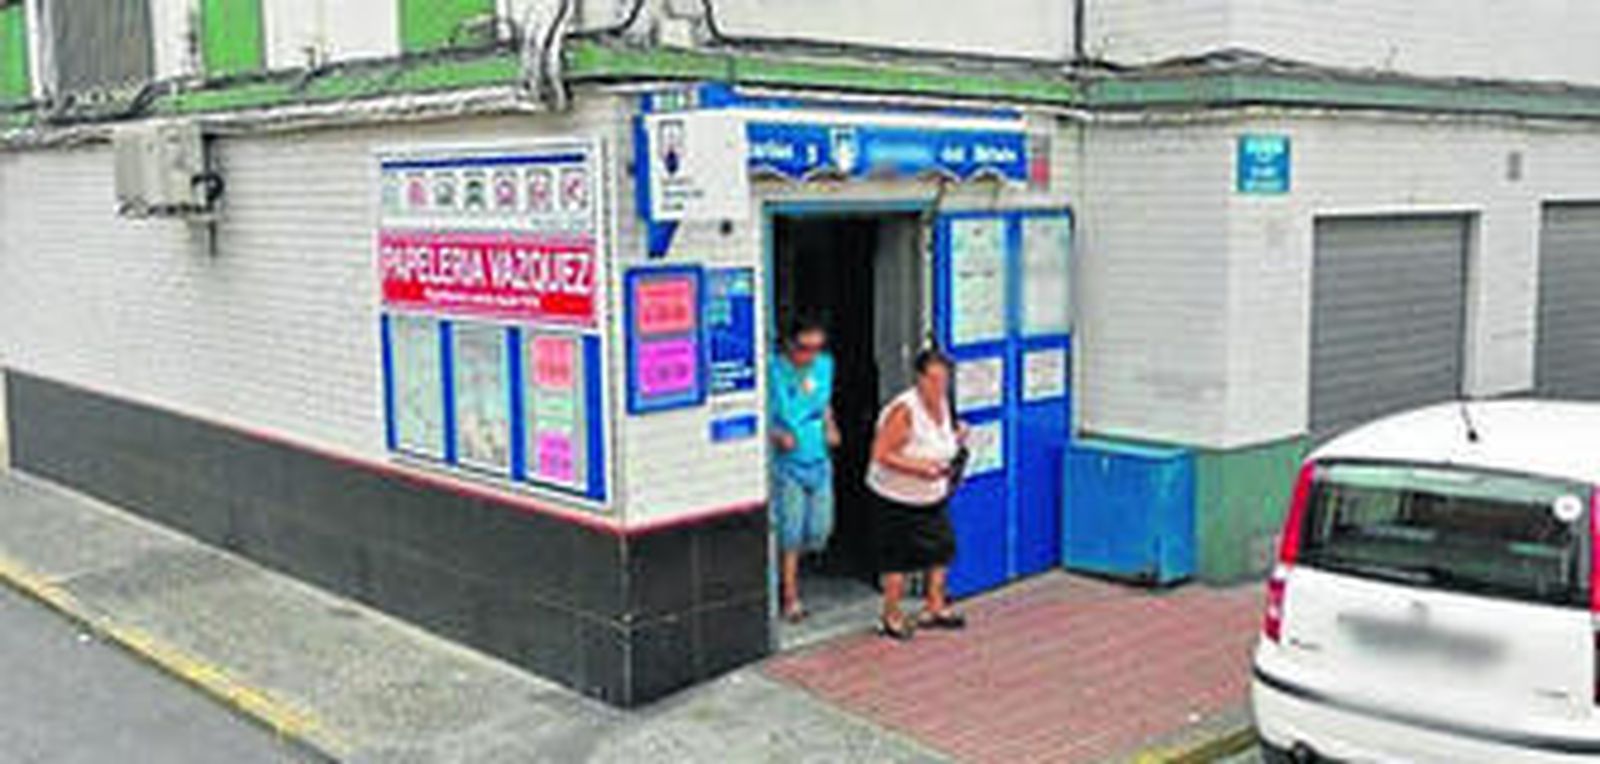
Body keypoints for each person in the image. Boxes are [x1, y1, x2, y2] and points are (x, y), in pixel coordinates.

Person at [866, 348, 967, 640]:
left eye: (943, 380)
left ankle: (935, 606)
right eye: (933, 380)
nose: (939, 387)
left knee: (942, 549)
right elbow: (881, 454)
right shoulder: (904, 410)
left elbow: (941, 440)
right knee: (896, 559)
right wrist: (920, 468)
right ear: (919, 378)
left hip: (932, 496)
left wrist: (956, 439)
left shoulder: (944, 403)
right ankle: (891, 615)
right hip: (895, 497)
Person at [769, 317, 842, 623]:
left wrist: (831, 425)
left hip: (819, 455)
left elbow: (824, 403)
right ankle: (790, 597)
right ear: (789, 344)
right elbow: (754, 410)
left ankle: (789, 573)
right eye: (803, 348)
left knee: (820, 530)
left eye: (816, 348)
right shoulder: (772, 369)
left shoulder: (824, 365)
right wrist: (775, 433)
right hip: (787, 461)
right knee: (791, 532)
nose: (810, 355)